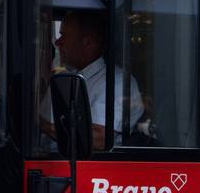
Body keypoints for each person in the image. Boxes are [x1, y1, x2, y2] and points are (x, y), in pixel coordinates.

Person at [42, 11, 144, 149]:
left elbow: (100, 138)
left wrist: (41, 125)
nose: (57, 42)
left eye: (64, 35)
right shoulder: (68, 77)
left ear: (87, 42)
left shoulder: (115, 82)